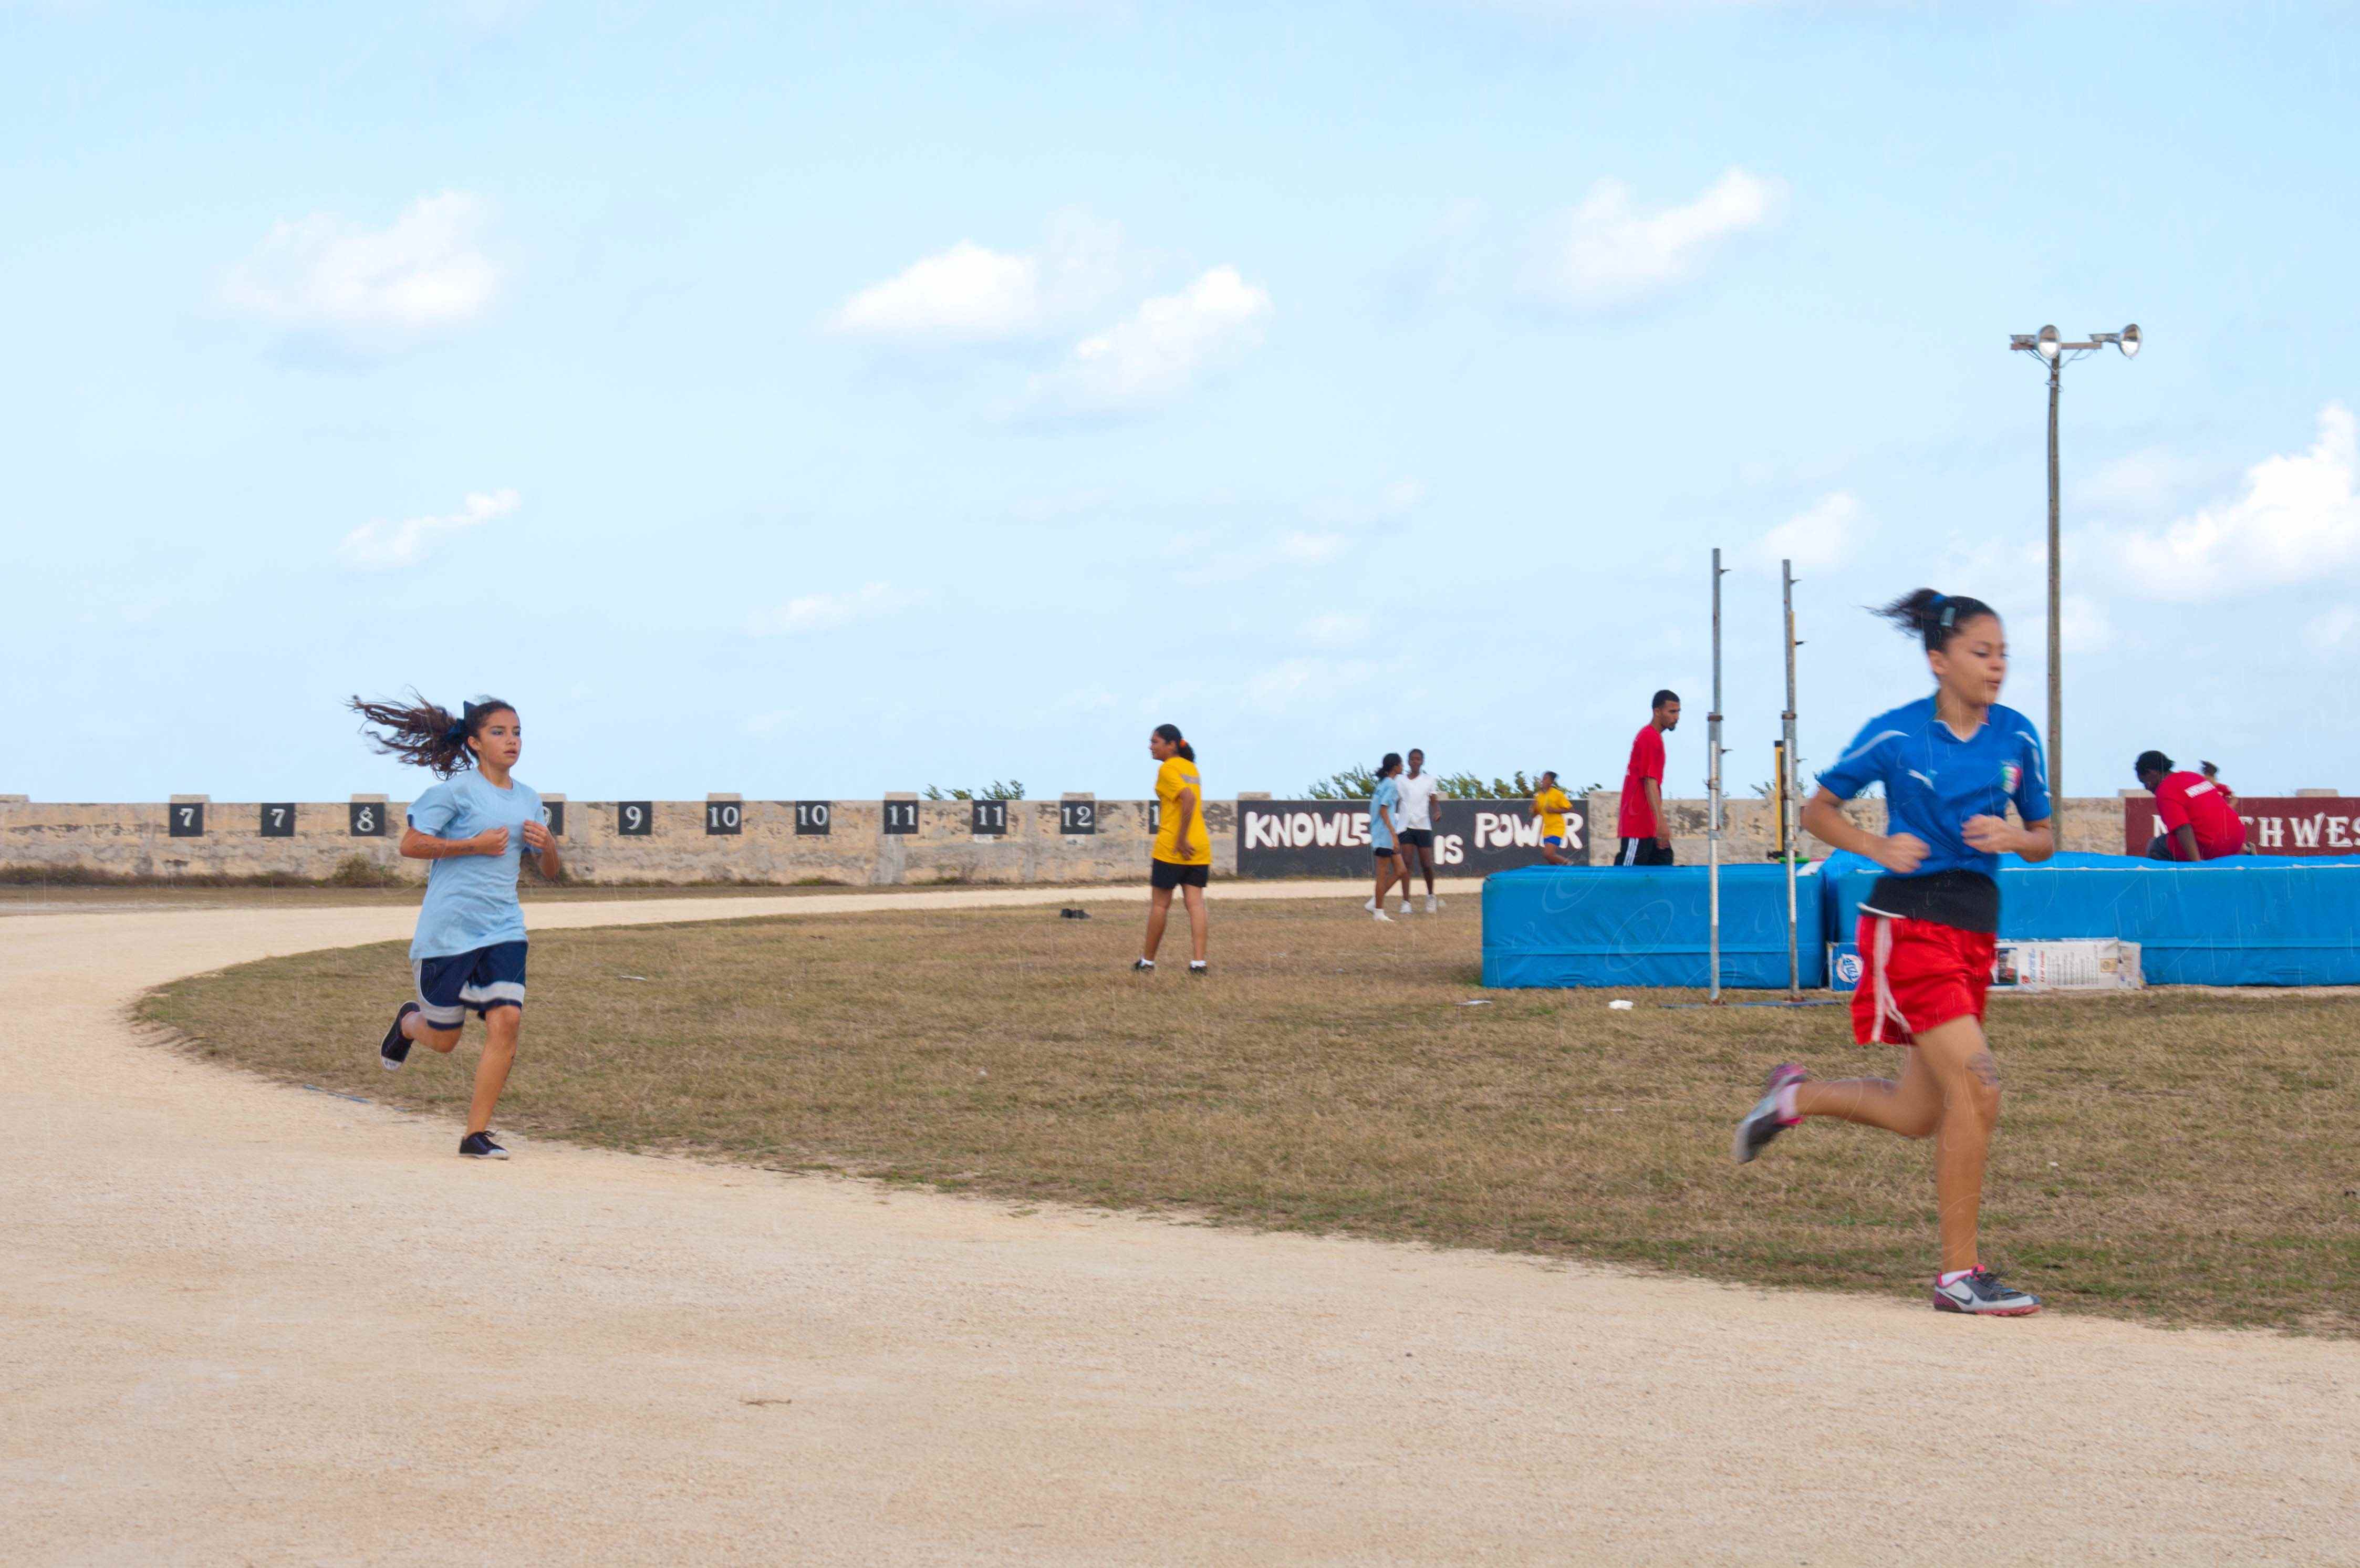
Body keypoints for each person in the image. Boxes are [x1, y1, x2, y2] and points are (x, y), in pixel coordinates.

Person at [1731, 589, 2055, 1316]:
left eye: (2002, 653)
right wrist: (1874, 845)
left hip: (1973, 931)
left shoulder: (2017, 736)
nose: (1997, 665)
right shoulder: (1897, 734)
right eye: (1980, 652)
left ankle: (1793, 1097)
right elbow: (1816, 809)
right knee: (1979, 1086)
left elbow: (2043, 838)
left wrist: (2014, 838)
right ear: (1938, 660)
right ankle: (1958, 1276)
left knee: (1917, 1114)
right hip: (1907, 928)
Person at [351, 693, 559, 1160]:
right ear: (474, 742)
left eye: (517, 732)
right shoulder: (455, 793)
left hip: (504, 928)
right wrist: (473, 844)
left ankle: (475, 1135)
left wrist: (548, 844)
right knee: (445, 1040)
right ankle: (409, 1024)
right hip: (447, 933)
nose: (512, 740)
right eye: (498, 732)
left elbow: (549, 870)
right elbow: (410, 844)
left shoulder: (528, 798)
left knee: (507, 1021)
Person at [1136, 723, 1209, 975]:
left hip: (1173, 848)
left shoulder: (1168, 769)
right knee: (1196, 905)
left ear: (1171, 745)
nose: (1151, 747)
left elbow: (1188, 798)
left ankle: (1147, 962)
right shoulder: (1191, 768)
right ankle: (1199, 963)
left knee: (1160, 905)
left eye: (1155, 742)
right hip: (1199, 846)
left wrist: (1180, 839)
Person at [2136, 750, 2246, 861]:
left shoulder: (2165, 790)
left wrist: (2196, 864)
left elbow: (2183, 828)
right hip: (2237, 841)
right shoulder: (2193, 776)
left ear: (2152, 773)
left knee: (2155, 846)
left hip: (2213, 848)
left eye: (2145, 782)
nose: (2146, 788)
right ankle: (2247, 849)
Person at [1616, 691, 1679, 866]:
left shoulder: (1654, 737)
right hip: (1638, 826)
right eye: (1672, 712)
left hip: (1649, 826)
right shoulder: (1649, 737)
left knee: (1663, 867)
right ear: (1657, 712)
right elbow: (1650, 782)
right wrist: (1661, 823)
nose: (1676, 717)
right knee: (1627, 878)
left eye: (1678, 712)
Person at [1394, 747, 1443, 913]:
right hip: (1405, 825)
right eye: (1412, 759)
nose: (1415, 762)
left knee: (1426, 864)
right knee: (1407, 863)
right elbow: (1395, 799)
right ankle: (1406, 902)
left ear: (1422, 762)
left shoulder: (1429, 780)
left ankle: (1430, 896)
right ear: (1408, 761)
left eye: (1418, 759)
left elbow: (1433, 799)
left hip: (1423, 825)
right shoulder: (1400, 780)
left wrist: (1437, 811)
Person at [1365, 752, 1409, 921]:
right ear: (1395, 766)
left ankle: (1375, 902)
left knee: (1401, 870)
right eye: (1401, 764)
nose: (1403, 767)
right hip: (1384, 834)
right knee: (1382, 874)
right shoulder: (1391, 785)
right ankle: (1379, 912)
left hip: (1382, 833)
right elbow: (1384, 810)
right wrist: (1393, 834)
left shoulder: (1382, 783)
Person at [1532, 770, 1579, 865]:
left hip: (1557, 827)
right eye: (1543, 779)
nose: (1543, 781)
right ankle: (1558, 872)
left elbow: (1571, 809)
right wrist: (1534, 809)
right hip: (1547, 829)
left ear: (1551, 782)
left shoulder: (1557, 794)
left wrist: (1554, 810)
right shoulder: (1539, 796)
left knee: (1548, 854)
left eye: (1546, 779)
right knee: (1550, 859)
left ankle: (1570, 864)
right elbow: (1535, 815)